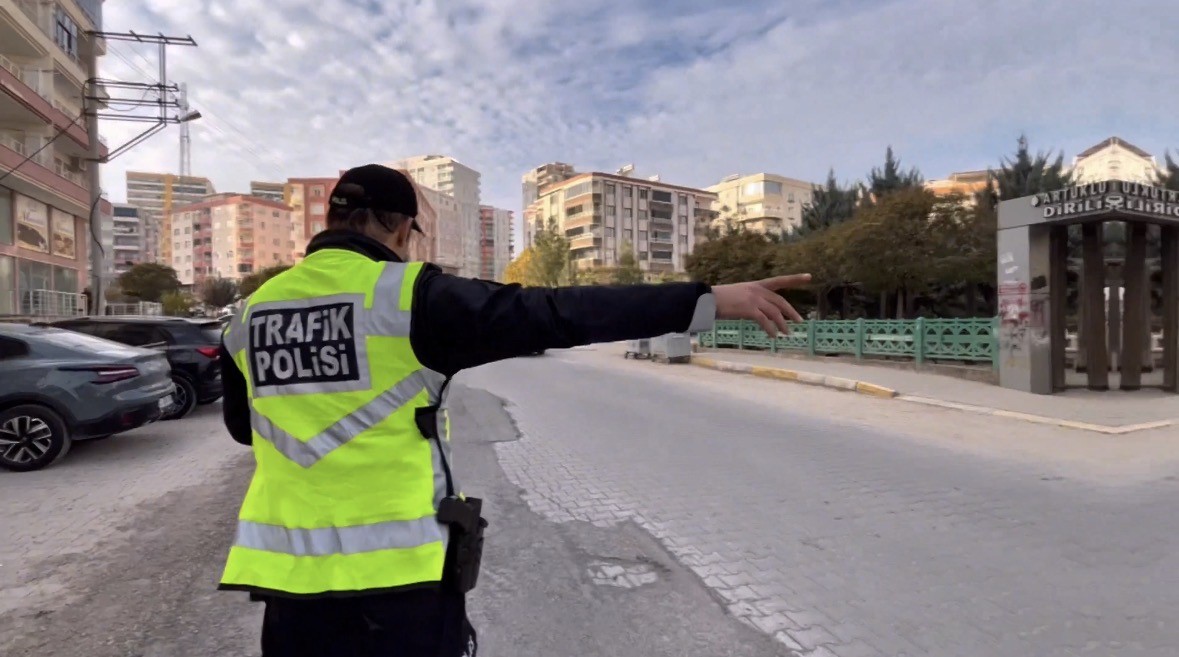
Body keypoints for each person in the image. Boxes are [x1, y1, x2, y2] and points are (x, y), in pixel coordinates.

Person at [216, 163, 811, 657]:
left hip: (288, 589)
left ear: (329, 221)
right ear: (399, 229)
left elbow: (245, 430)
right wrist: (704, 300)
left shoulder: (247, 315)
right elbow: (557, 312)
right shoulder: (409, 298)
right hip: (400, 589)